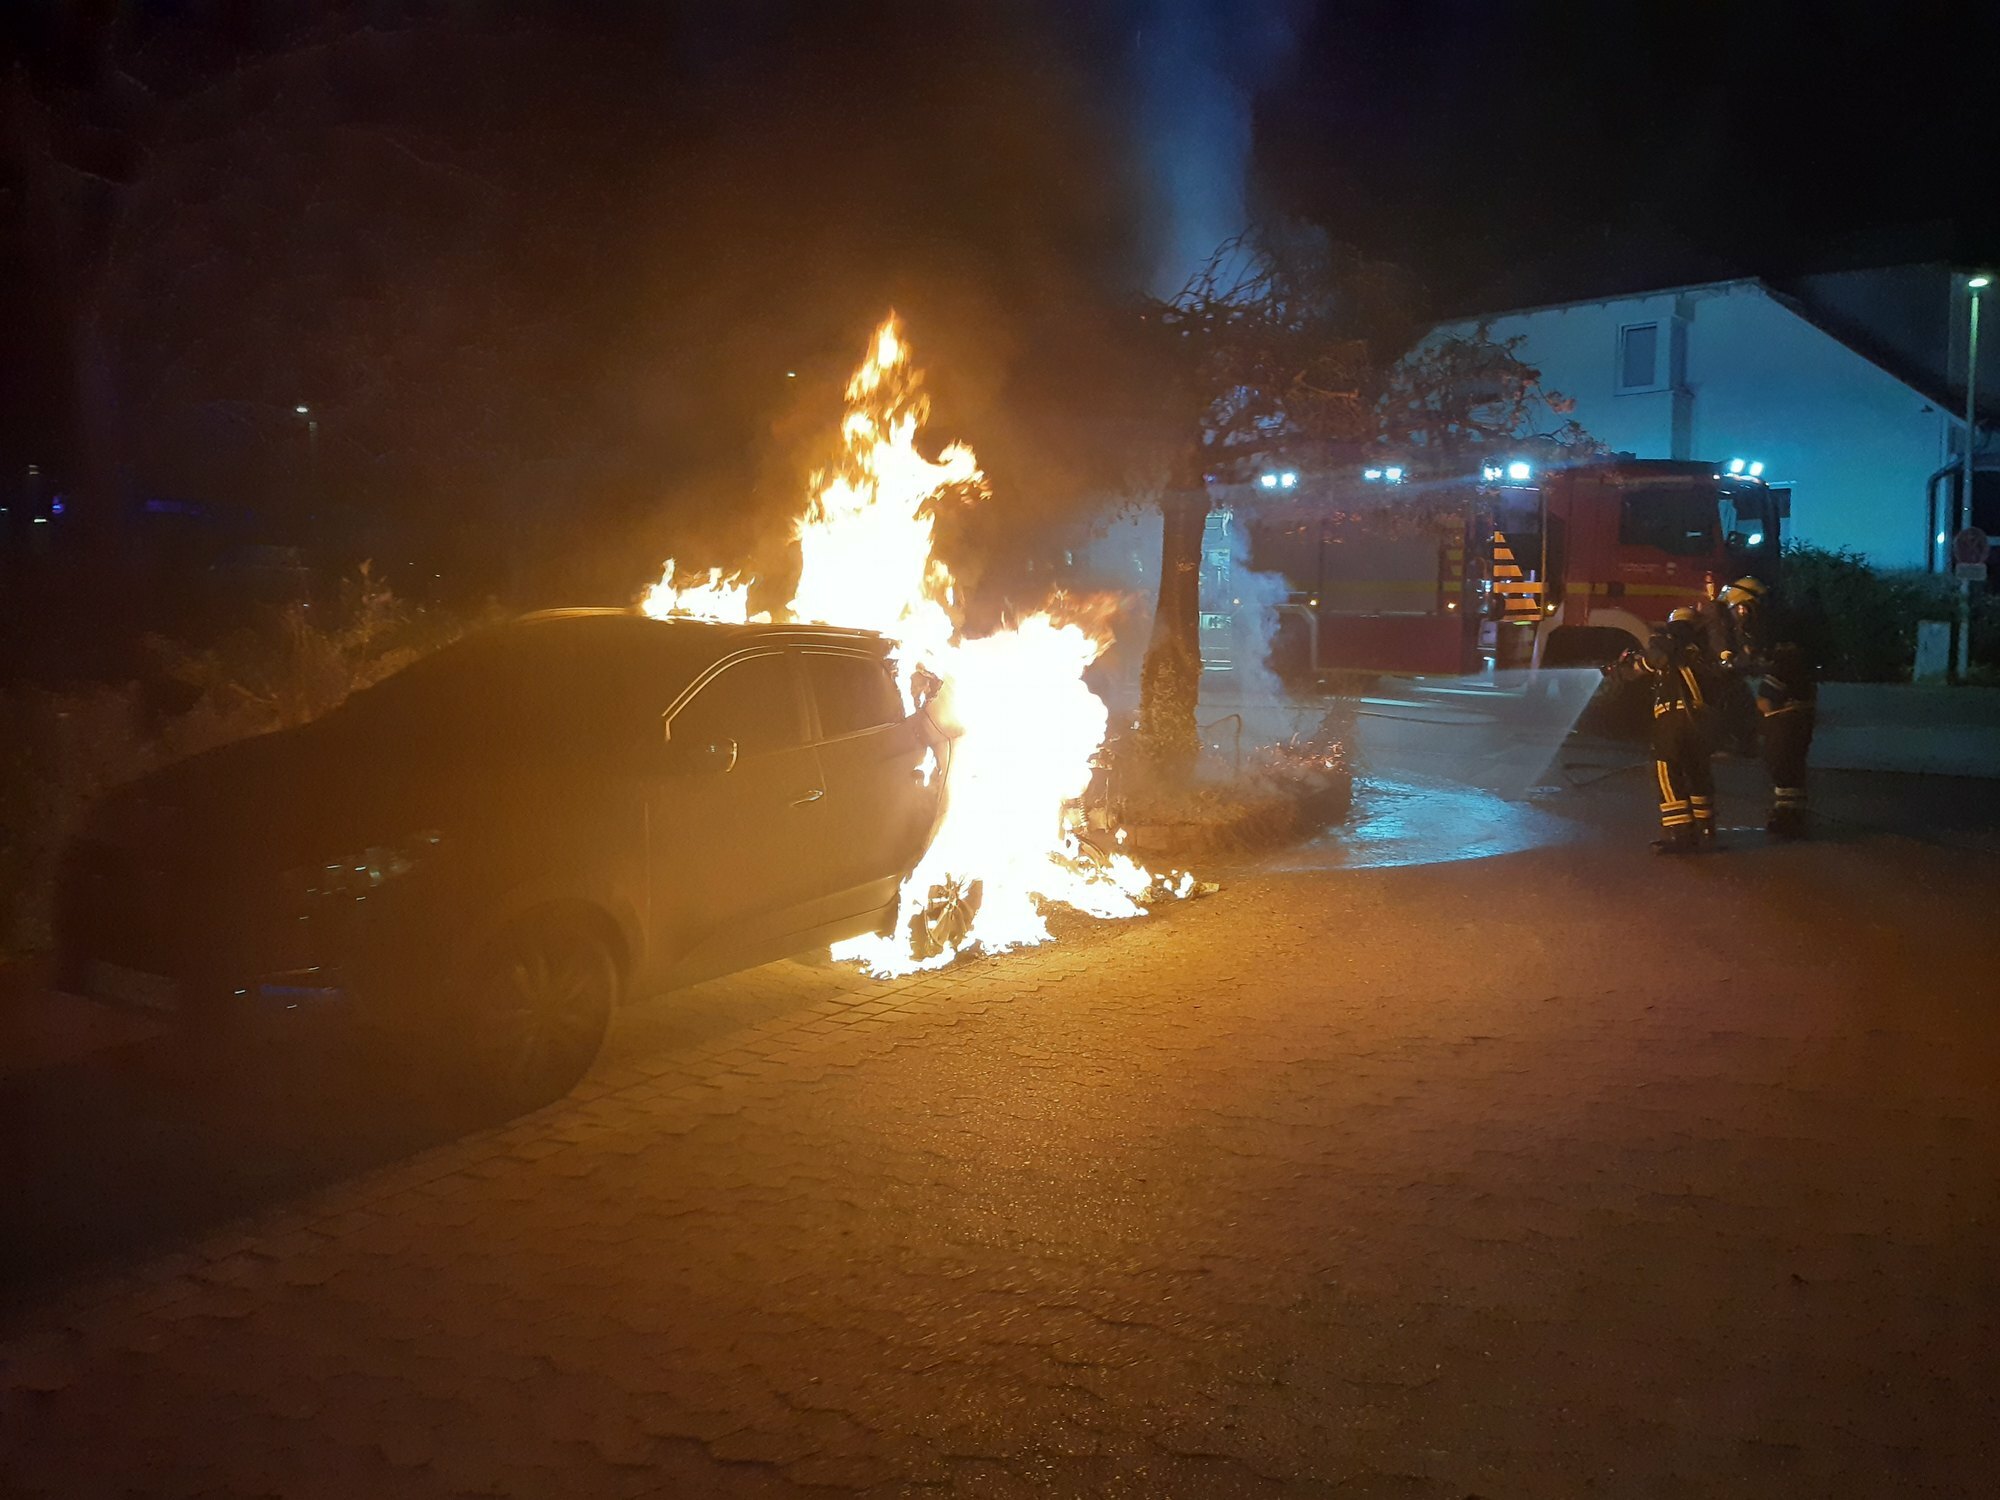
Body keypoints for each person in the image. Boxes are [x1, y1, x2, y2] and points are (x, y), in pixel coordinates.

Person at [1609, 608, 1715, 853]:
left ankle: (1680, 834)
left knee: (1667, 771)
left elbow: (1638, 669)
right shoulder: (1704, 651)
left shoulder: (1665, 646)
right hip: (1701, 721)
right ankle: (1705, 828)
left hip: (1672, 719)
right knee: (1697, 771)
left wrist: (1621, 668)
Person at [1755, 634, 1820, 838]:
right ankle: (1794, 814)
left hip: (1782, 726)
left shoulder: (1781, 670)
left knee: (1781, 769)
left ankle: (1785, 816)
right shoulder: (1804, 672)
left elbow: (1766, 701)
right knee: (1794, 771)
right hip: (1800, 725)